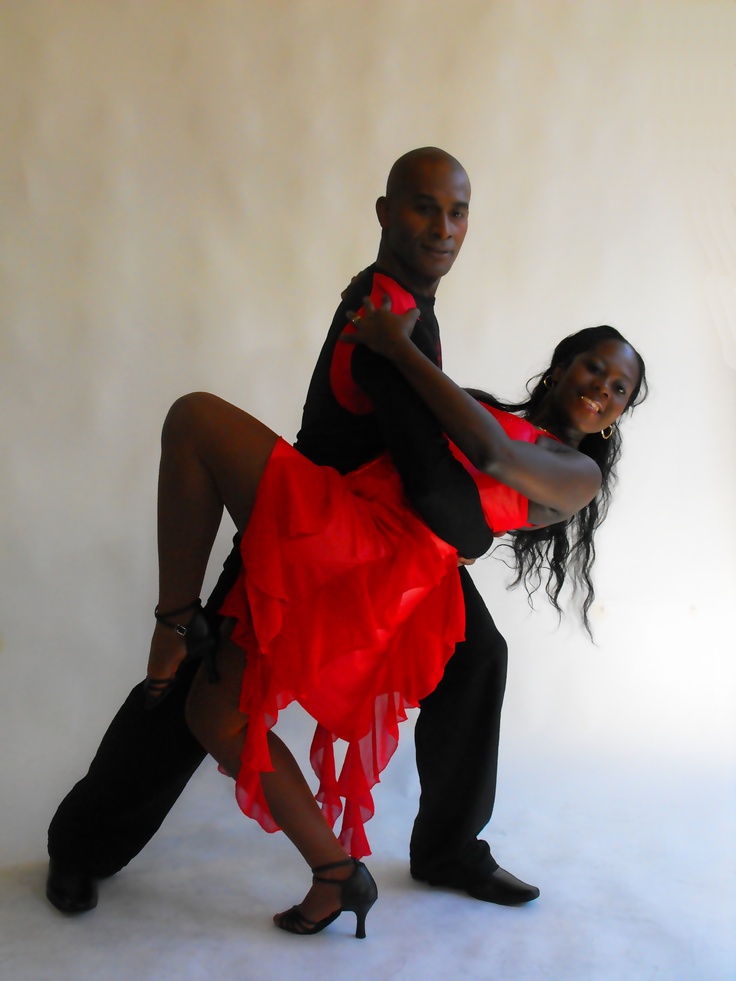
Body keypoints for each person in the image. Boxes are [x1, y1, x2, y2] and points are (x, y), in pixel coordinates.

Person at [43, 147, 630, 921]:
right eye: (425, 207)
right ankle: (86, 846)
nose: (445, 227)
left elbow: (463, 474)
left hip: (388, 536)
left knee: (478, 654)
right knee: (197, 686)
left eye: (458, 212)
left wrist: (470, 529)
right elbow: (442, 489)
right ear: (385, 213)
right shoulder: (385, 310)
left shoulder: (419, 325)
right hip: (329, 515)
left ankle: (446, 848)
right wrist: (470, 532)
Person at [136, 295, 646, 939]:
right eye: (593, 368)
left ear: (618, 415)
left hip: (365, 552)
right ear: (560, 369)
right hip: (351, 519)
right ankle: (335, 873)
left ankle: (174, 623)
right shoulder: (485, 408)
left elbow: (488, 456)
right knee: (211, 716)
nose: (602, 387)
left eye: (619, 387)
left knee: (196, 419)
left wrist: (398, 345)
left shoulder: (574, 474)